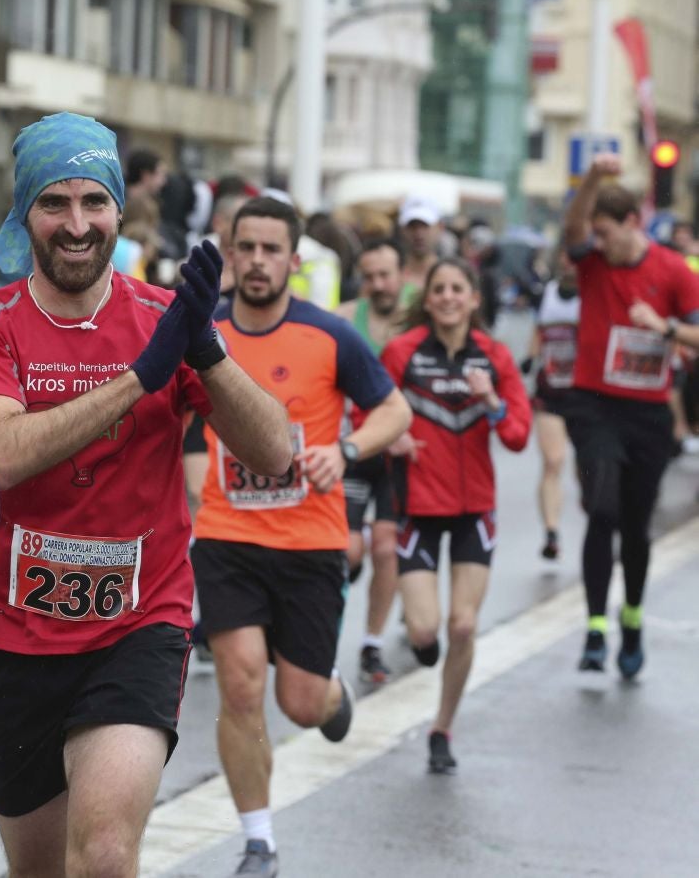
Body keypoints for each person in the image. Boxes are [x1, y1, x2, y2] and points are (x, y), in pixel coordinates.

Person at [0, 111, 294, 878]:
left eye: (94, 203)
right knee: (39, 869)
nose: (76, 224)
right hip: (6, 634)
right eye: (54, 204)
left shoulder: (168, 321)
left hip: (138, 622)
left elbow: (275, 451)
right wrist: (138, 379)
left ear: (120, 212)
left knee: (102, 853)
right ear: (24, 212)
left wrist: (208, 354)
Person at [191, 198, 411, 875]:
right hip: (227, 534)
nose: (257, 262)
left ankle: (331, 694)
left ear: (293, 260)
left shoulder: (330, 336)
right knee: (241, 682)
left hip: (311, 541)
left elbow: (394, 410)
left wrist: (345, 448)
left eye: (270, 250)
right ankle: (259, 839)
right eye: (245, 248)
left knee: (301, 702)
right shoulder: (203, 334)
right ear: (230, 255)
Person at [382, 258, 530, 774]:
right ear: (427, 300)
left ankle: (442, 727)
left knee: (463, 626)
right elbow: (365, 409)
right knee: (425, 633)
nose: (447, 296)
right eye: (438, 289)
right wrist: (391, 436)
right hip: (418, 508)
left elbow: (517, 436)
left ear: (473, 299)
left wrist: (490, 400)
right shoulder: (402, 352)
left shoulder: (495, 357)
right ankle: (424, 648)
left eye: (457, 289)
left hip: (474, 511)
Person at [560, 153, 699, 676]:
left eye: (606, 233)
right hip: (594, 405)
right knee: (602, 509)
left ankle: (632, 617)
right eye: (593, 235)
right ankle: (596, 628)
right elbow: (572, 227)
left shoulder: (672, 271)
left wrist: (663, 328)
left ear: (633, 224)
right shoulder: (593, 262)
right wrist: (594, 178)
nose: (597, 244)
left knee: (636, 527)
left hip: (648, 414)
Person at [333, 239, 411, 683]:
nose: (380, 285)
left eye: (387, 275)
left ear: (402, 277)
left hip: (400, 457)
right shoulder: (344, 320)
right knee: (348, 552)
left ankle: (371, 644)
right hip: (356, 449)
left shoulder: (418, 323)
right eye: (371, 277)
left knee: (386, 548)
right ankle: (331, 638)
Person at [523, 249, 580, 561]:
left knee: (587, 471)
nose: (570, 263)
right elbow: (538, 330)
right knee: (553, 462)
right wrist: (530, 358)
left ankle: (597, 515)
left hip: (585, 396)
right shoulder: (546, 295)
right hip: (551, 393)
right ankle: (551, 531)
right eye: (567, 257)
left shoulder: (594, 296)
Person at [397, 196, 440, 292]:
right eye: (412, 226)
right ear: (402, 230)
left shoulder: (451, 276)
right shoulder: (391, 278)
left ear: (440, 228)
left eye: (425, 226)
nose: (419, 233)